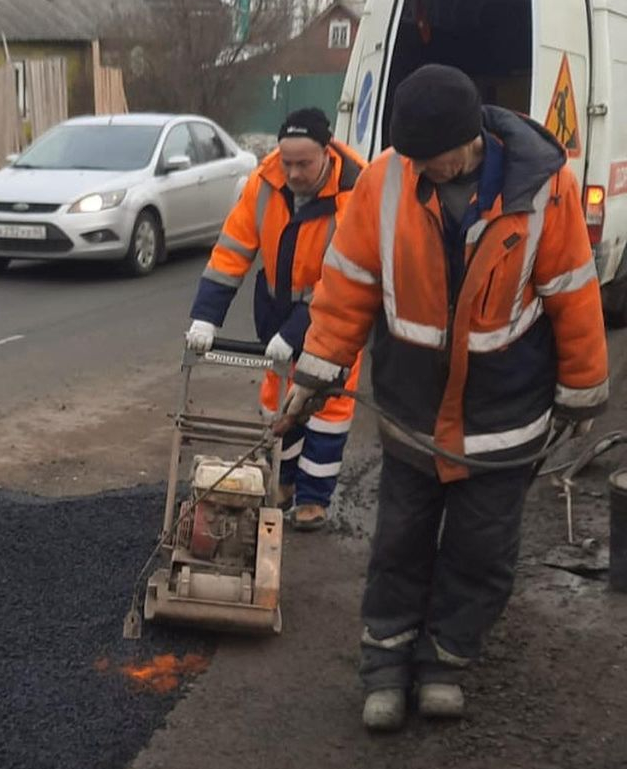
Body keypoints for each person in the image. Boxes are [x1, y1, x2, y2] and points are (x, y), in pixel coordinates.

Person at [282, 64, 609, 730]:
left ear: (472, 141)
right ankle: (385, 661)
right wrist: (317, 369)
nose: (425, 170)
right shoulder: (385, 181)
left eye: (436, 159)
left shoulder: (546, 188)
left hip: (504, 415)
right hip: (413, 412)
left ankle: (445, 660)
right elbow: (347, 285)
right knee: (398, 539)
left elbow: (572, 289)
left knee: (479, 549)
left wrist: (582, 386)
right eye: (414, 158)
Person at [185, 108, 366, 530]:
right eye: (288, 162)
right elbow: (232, 250)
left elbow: (344, 280)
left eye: (304, 163)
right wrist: (206, 316)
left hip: (335, 319)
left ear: (327, 153)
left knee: (327, 406)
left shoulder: (356, 193)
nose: (295, 173)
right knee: (278, 403)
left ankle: (314, 499)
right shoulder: (264, 184)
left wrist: (297, 330)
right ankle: (283, 482)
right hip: (276, 308)